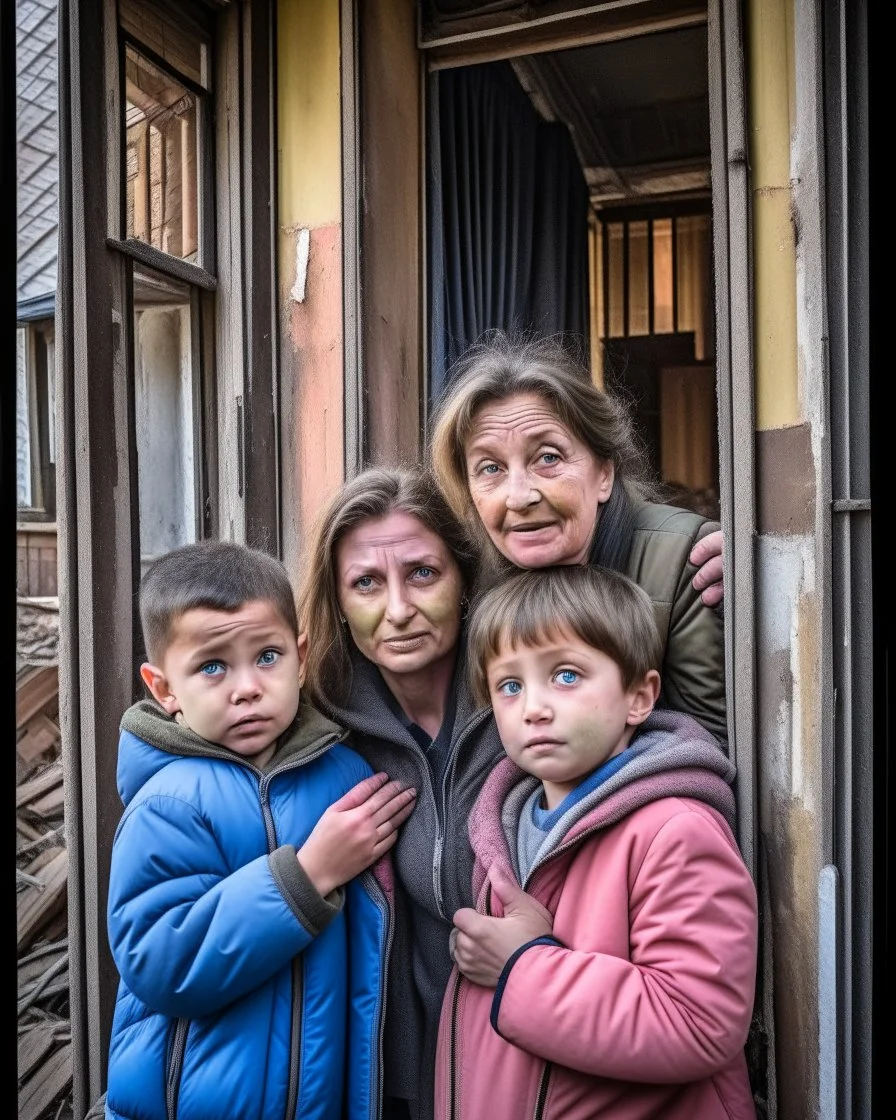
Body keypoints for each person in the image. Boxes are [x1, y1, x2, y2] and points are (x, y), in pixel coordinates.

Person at [101, 540, 416, 1120]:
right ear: (164, 688)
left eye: (267, 657)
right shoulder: (169, 803)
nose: (246, 686)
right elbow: (160, 962)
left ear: (300, 658)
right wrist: (309, 874)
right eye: (213, 666)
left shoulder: (343, 774)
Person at [437, 564, 757, 1120]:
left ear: (639, 696)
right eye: (509, 686)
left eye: (565, 676)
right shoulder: (505, 828)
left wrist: (523, 965)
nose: (533, 706)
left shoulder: (674, 830)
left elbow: (698, 1023)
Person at [297, 467, 508, 1120]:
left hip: (532, 1064)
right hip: (399, 1081)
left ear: (465, 578)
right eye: (366, 583)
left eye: (422, 574)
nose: (398, 610)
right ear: (336, 600)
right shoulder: (318, 732)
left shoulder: (530, 707)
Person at [428, 329, 728, 745]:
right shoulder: (467, 576)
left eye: (548, 458)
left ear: (604, 473)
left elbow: (709, 748)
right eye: (490, 469)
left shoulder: (683, 559)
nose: (519, 497)